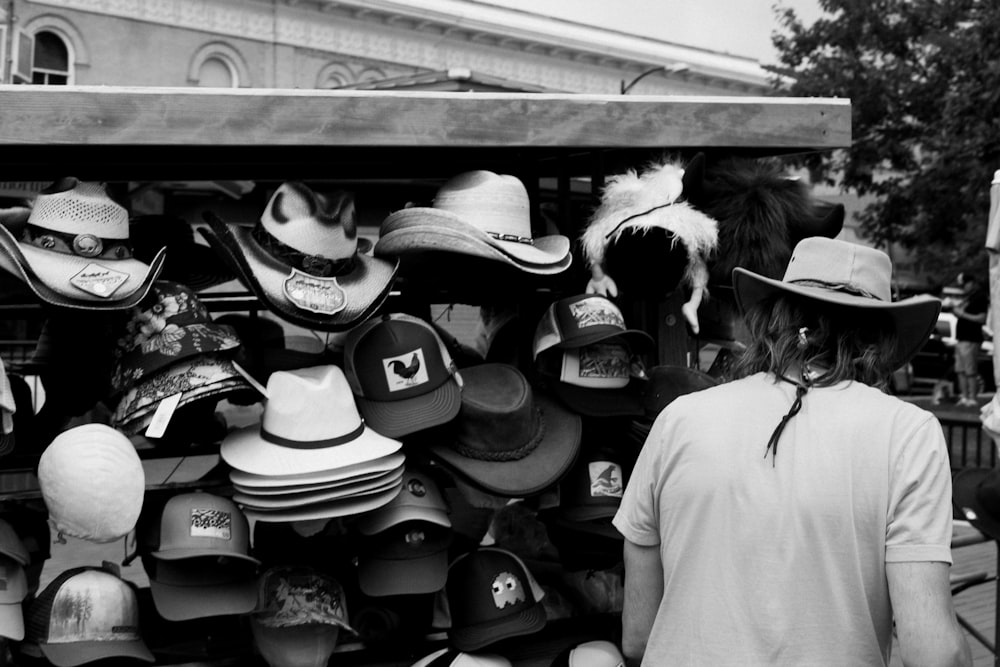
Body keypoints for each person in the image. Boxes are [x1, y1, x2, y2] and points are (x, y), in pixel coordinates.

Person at [613, 237, 971, 666]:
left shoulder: (678, 419)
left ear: (773, 319)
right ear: (882, 340)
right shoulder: (908, 434)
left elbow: (637, 637)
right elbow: (934, 652)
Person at [952, 272, 989, 407]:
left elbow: (981, 318)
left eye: (965, 285)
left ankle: (972, 398)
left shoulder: (980, 297)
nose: (963, 288)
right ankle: (964, 396)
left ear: (972, 282)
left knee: (970, 370)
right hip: (961, 338)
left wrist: (962, 314)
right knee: (960, 370)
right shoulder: (969, 297)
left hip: (971, 338)